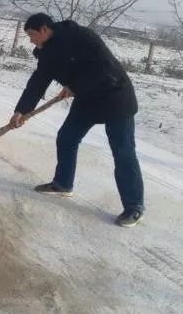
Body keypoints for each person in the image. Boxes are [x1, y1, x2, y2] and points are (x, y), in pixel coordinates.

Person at [9, 13, 145, 227]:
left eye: (32, 35)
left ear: (44, 29)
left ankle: (134, 207)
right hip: (87, 99)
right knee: (67, 137)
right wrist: (21, 110)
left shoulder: (81, 36)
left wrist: (75, 86)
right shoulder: (46, 53)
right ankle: (63, 184)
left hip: (116, 96)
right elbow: (38, 81)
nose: (31, 40)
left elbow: (105, 67)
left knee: (123, 151)